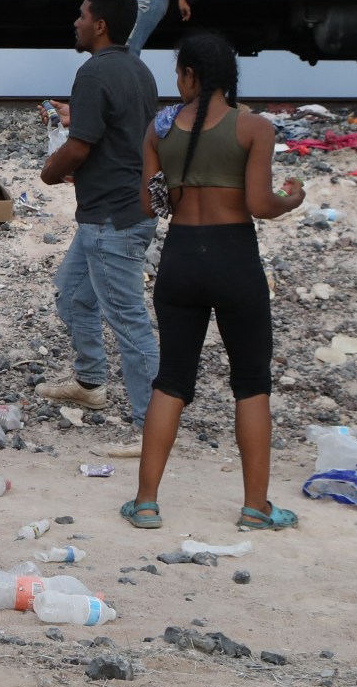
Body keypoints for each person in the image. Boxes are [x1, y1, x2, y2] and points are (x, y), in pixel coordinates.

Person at [122, 35, 306, 533]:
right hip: (233, 259)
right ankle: (255, 508)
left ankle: (145, 502)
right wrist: (293, 198)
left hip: (180, 258)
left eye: (179, 73)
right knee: (251, 383)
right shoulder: (253, 128)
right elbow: (260, 205)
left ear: (190, 76)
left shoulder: (159, 131)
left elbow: (150, 207)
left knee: (172, 380)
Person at [37, 0, 159, 458]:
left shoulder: (93, 72)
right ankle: (91, 382)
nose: (75, 22)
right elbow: (119, 135)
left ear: (100, 24)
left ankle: (152, 429)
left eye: (82, 15)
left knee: (129, 322)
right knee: (73, 294)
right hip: (113, 212)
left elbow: (80, 145)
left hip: (113, 217)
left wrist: (51, 169)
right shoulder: (138, 69)